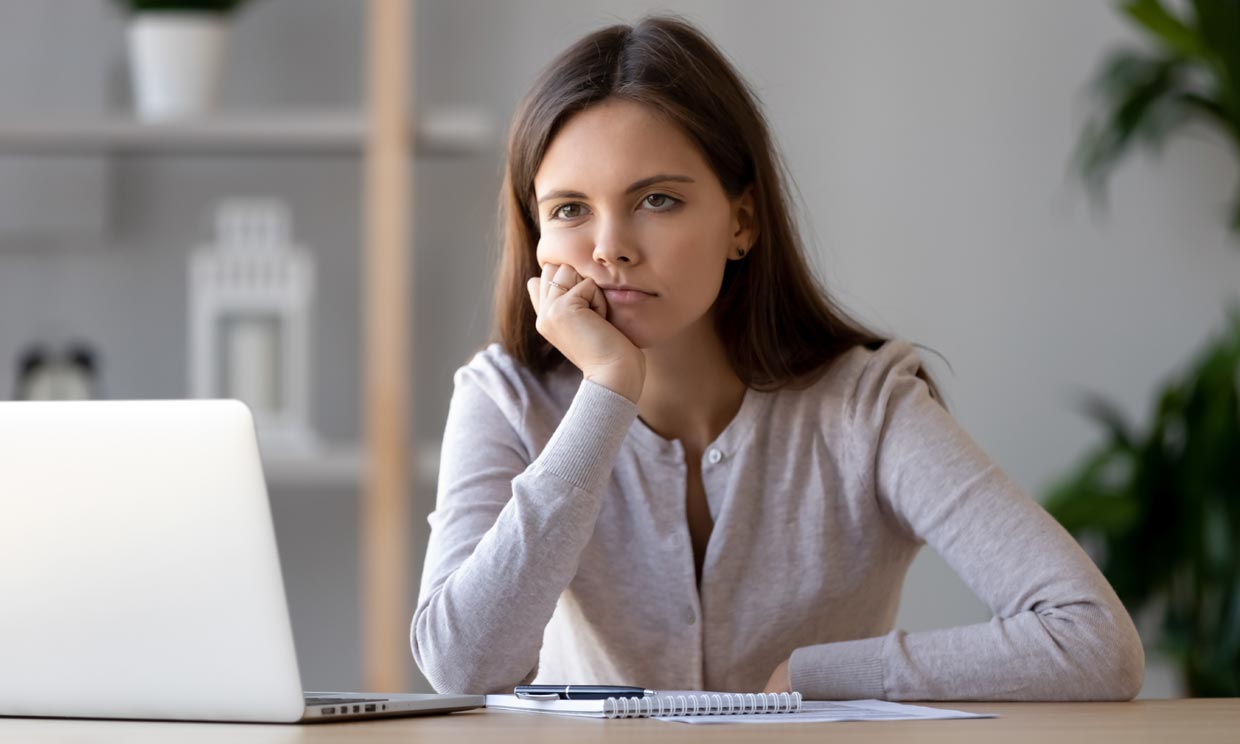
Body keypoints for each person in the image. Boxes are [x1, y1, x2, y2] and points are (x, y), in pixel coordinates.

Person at [411, 14, 1144, 701]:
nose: (610, 248)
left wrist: (819, 672)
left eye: (657, 199)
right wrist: (606, 394)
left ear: (743, 221)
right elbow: (463, 666)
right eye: (570, 210)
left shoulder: (866, 406)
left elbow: (1094, 640)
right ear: (536, 239)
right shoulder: (505, 397)